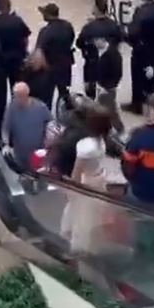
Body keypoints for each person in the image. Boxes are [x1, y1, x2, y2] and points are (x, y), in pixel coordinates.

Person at [59, 106, 114, 254]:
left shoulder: (85, 146)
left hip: (86, 182)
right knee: (92, 218)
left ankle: (78, 252)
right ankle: (91, 247)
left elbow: (77, 173)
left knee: (81, 220)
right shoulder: (102, 141)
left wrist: (70, 191)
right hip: (99, 179)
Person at [124, 0, 154, 113]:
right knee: (151, 79)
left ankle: (137, 105)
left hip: (141, 50)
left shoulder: (140, 12)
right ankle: (150, 103)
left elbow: (133, 32)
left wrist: (127, 36)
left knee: (137, 78)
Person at [1, 81, 53, 174]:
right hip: (20, 154)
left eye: (20, 95)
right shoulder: (12, 108)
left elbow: (51, 124)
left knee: (39, 176)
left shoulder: (40, 107)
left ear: (26, 94)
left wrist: (48, 142)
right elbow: (6, 127)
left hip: (38, 153)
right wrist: (6, 144)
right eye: (15, 95)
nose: (17, 99)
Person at [34, 3, 77, 111]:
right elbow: (72, 40)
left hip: (50, 67)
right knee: (64, 93)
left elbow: (39, 52)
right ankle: (68, 115)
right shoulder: (68, 26)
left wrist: (43, 67)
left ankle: (46, 120)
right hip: (65, 65)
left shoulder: (45, 31)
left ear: (48, 15)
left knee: (46, 97)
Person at [76, 0, 123, 100]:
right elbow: (120, 40)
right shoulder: (114, 25)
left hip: (92, 64)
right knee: (108, 93)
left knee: (91, 93)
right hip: (110, 64)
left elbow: (79, 43)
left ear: (96, 9)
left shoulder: (89, 27)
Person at [0, 0, 32, 88]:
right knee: (17, 88)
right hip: (16, 59)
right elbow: (25, 39)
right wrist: (24, 53)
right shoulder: (17, 20)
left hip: (0, 62)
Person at [91, 36, 124, 134]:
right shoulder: (99, 52)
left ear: (103, 40)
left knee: (109, 110)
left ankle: (119, 129)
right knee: (105, 109)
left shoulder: (113, 54)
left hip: (108, 87)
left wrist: (109, 86)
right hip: (101, 85)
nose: (95, 43)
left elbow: (117, 72)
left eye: (96, 40)